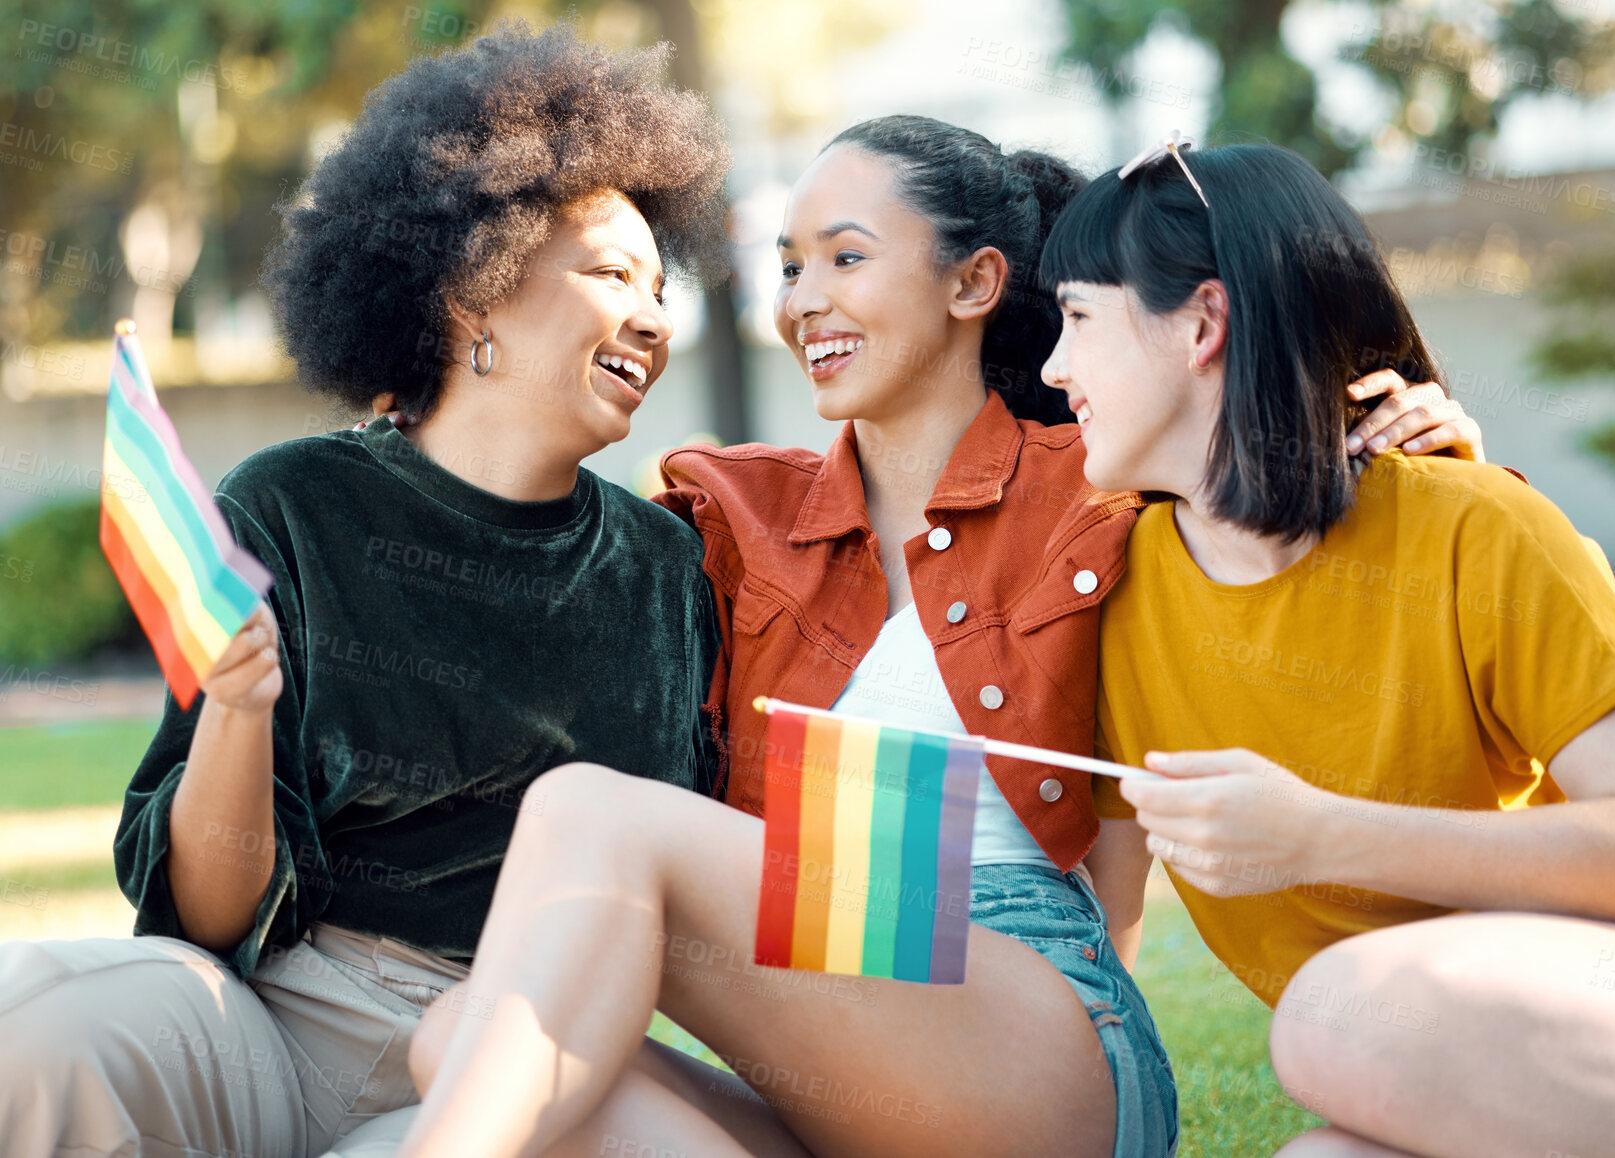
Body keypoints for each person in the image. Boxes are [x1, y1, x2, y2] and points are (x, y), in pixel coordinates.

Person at [395, 117, 1485, 1158]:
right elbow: (540, 555)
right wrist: (458, 405)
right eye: (788, 268)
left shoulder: (1101, 488)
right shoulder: (737, 516)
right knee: (458, 1041)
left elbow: (1316, 548)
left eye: (845, 258)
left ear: (973, 283)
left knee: (591, 818)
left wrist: (1432, 463)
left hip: (1031, 1023)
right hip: (837, 1026)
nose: (802, 302)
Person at [0, 24, 758, 1158]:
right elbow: (209, 924)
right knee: (41, 1021)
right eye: (612, 276)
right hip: (273, 1013)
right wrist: (239, 713)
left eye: (661, 289)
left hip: (511, 1046)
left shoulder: (665, 571)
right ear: (473, 296)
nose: (653, 319)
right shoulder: (295, 503)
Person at [1041, 138, 1615, 1157]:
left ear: (1200, 322)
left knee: (1338, 1012)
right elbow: (1110, 950)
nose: (1053, 367)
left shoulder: (1472, 525)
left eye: (1078, 317)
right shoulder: (1111, 601)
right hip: (1405, 1057)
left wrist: (1316, 832)